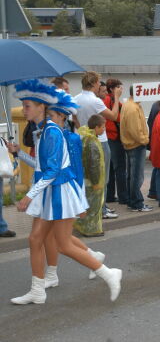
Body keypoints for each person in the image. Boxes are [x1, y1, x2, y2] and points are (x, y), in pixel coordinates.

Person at [10, 80, 122, 305]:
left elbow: (52, 171)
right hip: (49, 191)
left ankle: (108, 273)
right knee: (35, 239)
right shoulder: (42, 132)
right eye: (23, 106)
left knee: (63, 244)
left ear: (42, 107)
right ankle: (38, 290)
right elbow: (42, 167)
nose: (24, 110)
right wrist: (19, 154)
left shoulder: (52, 132)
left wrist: (30, 195)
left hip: (59, 191)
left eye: (28, 106)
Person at [73, 72, 120, 219]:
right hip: (100, 141)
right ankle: (101, 209)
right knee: (102, 177)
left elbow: (73, 116)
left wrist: (81, 128)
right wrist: (117, 97)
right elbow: (113, 116)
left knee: (88, 176)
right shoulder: (95, 101)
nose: (100, 85)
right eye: (99, 82)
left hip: (83, 140)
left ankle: (94, 206)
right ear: (93, 84)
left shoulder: (76, 98)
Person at [120, 86, 152, 212]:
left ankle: (132, 201)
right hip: (136, 144)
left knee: (131, 175)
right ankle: (136, 203)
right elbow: (135, 130)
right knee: (136, 176)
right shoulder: (133, 108)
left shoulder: (128, 104)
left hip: (130, 144)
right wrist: (145, 140)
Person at [75, 115, 106, 236]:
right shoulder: (92, 142)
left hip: (85, 179)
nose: (104, 129)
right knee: (93, 206)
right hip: (91, 180)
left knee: (88, 204)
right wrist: (96, 182)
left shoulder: (86, 138)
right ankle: (91, 229)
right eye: (103, 127)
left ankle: (84, 226)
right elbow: (94, 164)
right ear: (97, 127)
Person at [103, 79, 128, 206]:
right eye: (118, 87)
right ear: (112, 89)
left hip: (110, 136)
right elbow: (116, 116)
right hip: (114, 137)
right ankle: (123, 197)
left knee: (112, 168)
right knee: (120, 168)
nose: (121, 89)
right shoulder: (111, 100)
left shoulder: (108, 99)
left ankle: (110, 195)